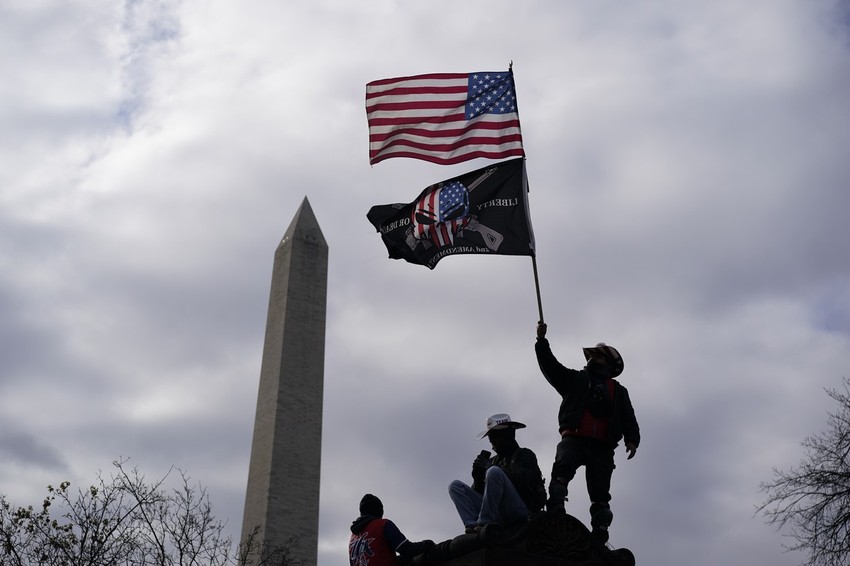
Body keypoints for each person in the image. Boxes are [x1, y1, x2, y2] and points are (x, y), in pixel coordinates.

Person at [535, 322, 640, 544]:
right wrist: (541, 342)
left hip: (603, 446)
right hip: (573, 438)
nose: (592, 360)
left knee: (601, 495)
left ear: (609, 364)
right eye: (591, 356)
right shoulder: (576, 380)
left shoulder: (619, 392)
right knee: (560, 476)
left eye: (598, 357)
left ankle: (600, 531)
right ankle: (556, 511)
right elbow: (551, 367)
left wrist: (632, 439)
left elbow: (628, 417)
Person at [448, 413, 546, 533]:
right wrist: (478, 478)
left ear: (508, 436)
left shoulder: (525, 455)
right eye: (490, 439)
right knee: (455, 486)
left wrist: (491, 468)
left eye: (495, 438)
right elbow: (485, 497)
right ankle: (472, 526)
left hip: (520, 510)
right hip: (497, 512)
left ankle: (484, 523)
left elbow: (522, 482)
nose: (492, 443)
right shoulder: (493, 461)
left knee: (494, 471)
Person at [349, 494, 434, 566]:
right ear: (379, 511)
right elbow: (407, 550)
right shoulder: (383, 524)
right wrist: (427, 543)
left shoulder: (353, 538)